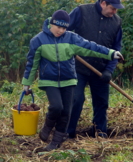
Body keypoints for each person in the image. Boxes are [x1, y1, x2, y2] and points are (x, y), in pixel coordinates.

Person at [22, 9, 123, 151]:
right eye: (58, 27)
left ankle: (55, 143)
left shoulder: (71, 38)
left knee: (66, 112)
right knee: (57, 106)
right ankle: (48, 126)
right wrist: (27, 84)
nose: (61, 31)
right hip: (49, 81)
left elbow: (90, 47)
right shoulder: (38, 41)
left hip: (68, 80)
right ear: (51, 24)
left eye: (64, 28)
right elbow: (32, 64)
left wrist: (111, 53)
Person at [67, 0, 125, 138]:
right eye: (112, 8)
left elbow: (116, 48)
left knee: (101, 102)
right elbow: (63, 30)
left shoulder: (116, 22)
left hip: (101, 69)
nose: (114, 12)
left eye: (116, 9)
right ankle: (68, 132)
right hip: (78, 66)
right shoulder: (82, 11)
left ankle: (100, 132)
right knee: (76, 99)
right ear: (103, 3)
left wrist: (109, 70)